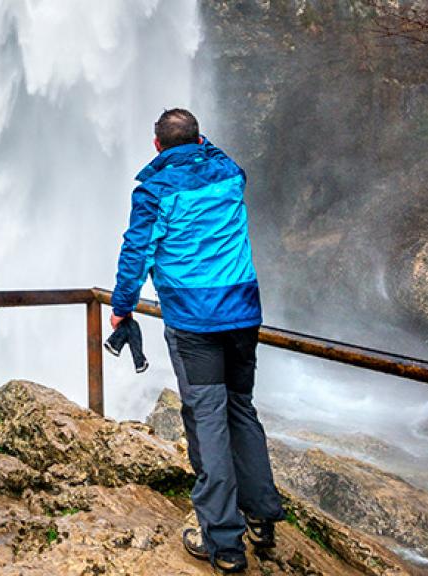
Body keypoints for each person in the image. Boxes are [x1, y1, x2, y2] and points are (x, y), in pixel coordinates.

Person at [110, 109, 285, 574]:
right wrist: (199, 145)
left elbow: (135, 251)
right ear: (201, 138)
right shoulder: (229, 172)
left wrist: (122, 307)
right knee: (240, 408)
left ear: (156, 147)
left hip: (195, 321)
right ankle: (262, 516)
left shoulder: (155, 190)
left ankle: (223, 541)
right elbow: (222, 159)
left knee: (207, 418)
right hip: (244, 310)